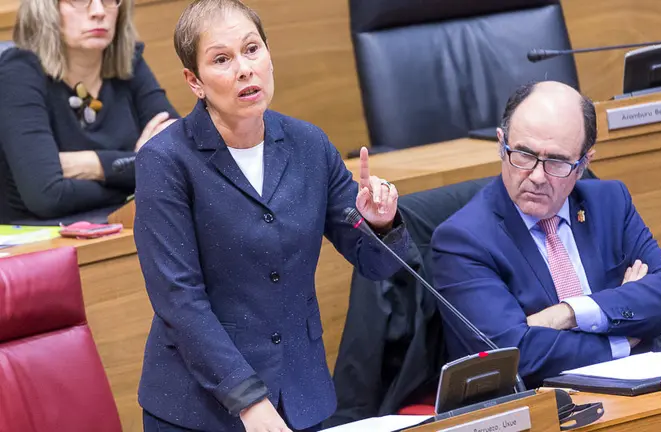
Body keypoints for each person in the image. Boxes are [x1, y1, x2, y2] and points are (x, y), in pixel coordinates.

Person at [133, 1, 410, 431]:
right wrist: (247, 400)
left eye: (252, 49)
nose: (245, 69)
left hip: (299, 396)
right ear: (194, 81)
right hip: (200, 410)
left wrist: (380, 223)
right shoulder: (165, 162)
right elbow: (178, 298)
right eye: (222, 59)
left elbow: (377, 264)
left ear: (269, 54)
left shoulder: (309, 146)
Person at [430, 81, 661, 388]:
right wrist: (621, 339)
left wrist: (568, 313)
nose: (537, 176)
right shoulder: (463, 240)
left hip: (639, 389)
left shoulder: (610, 203)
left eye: (556, 162)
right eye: (523, 155)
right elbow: (514, 354)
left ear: (583, 164)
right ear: (501, 144)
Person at [0, 0, 178, 224]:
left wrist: (93, 164)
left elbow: (182, 161)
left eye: (108, 0)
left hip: (126, 229)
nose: (98, 11)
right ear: (46, 8)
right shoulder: (18, 73)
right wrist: (140, 172)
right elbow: (47, 196)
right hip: (45, 244)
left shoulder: (129, 63)